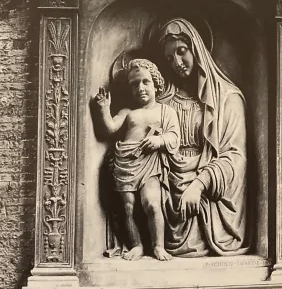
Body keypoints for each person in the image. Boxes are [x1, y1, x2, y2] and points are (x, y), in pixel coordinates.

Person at [155, 18, 251, 257]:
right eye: (169, 58)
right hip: (169, 193)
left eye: (182, 51)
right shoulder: (163, 103)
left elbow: (235, 157)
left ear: (196, 48)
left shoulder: (228, 99)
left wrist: (199, 184)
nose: (177, 63)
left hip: (210, 200)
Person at [93, 59, 181, 261]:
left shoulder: (166, 111)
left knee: (152, 203)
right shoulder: (127, 112)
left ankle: (158, 246)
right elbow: (110, 129)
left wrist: (159, 140)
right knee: (128, 207)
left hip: (149, 163)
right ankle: (137, 245)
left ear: (156, 84)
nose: (140, 88)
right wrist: (104, 109)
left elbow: (175, 137)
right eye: (134, 84)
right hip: (125, 162)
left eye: (145, 82)